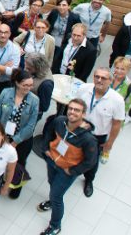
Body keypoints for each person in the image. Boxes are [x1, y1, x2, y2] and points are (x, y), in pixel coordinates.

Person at [37, 98, 98, 235]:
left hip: (67, 171)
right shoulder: (60, 121)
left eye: (77, 110)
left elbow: (90, 162)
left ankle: (55, 226)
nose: (72, 112)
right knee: (51, 183)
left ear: (83, 114)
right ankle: (52, 202)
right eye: (70, 108)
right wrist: (46, 148)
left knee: (57, 196)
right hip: (53, 161)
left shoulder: (88, 139)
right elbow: (49, 132)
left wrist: (72, 171)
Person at [75, 67, 125, 197]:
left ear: (110, 80)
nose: (99, 80)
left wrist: (110, 143)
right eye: (97, 76)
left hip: (97, 136)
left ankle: (89, 180)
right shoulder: (83, 89)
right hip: (78, 130)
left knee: (92, 161)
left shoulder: (117, 100)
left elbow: (116, 124)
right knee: (73, 152)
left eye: (103, 78)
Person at [0, 70, 39, 199]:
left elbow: (31, 125)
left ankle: (16, 188)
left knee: (19, 163)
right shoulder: (5, 93)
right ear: (17, 83)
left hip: (22, 139)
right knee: (1, 161)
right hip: (3, 135)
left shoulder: (34, 100)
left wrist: (15, 142)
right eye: (25, 85)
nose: (28, 88)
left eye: (30, 85)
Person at [24, 52, 55, 119]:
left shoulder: (46, 84)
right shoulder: (33, 69)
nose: (26, 69)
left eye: (29, 69)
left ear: (37, 68)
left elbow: (44, 107)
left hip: (31, 114)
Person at [110, 57, 131, 122]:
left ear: (128, 70)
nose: (119, 71)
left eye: (122, 69)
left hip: (113, 120)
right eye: (117, 68)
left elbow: (125, 108)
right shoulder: (107, 78)